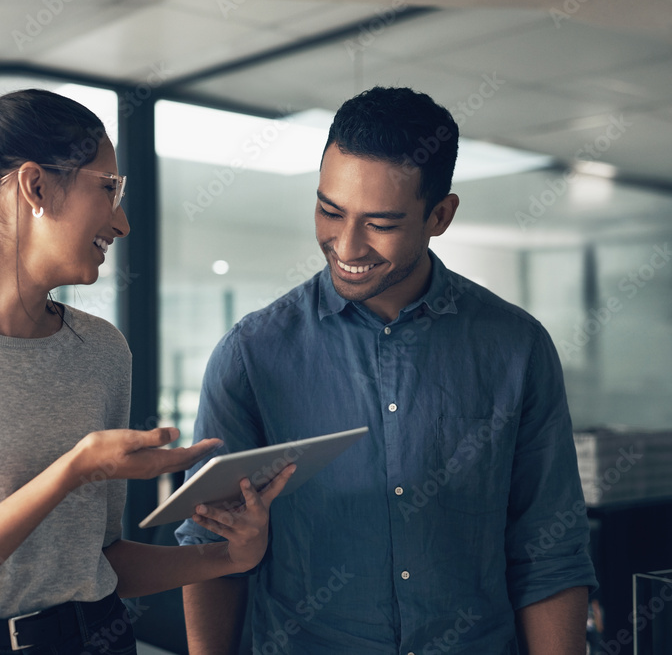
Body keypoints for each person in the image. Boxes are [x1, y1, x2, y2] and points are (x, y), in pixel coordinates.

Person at [0, 88, 295, 655]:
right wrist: (72, 472)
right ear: (35, 187)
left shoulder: (102, 350)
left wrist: (226, 557)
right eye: (108, 189)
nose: (121, 222)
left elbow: (95, 562)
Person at [176, 86, 597, 654]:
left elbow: (549, 554)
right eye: (329, 210)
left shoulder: (516, 348)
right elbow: (209, 544)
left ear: (440, 216)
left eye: (381, 223)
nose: (346, 244)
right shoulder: (252, 354)